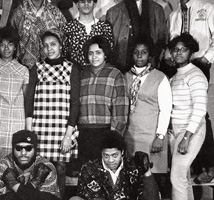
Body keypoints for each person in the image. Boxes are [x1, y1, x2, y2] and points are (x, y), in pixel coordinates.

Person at [164, 0, 214, 185]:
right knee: (181, 109)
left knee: (201, 113)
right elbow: (172, 43)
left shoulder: (207, 8)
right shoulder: (174, 15)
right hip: (180, 66)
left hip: (199, 64)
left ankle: (209, 166)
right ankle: (188, 163)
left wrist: (205, 59)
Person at [26, 29, 80, 198]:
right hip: (40, 128)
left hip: (62, 128)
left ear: (61, 46)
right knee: (39, 170)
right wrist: (29, 133)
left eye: (53, 44)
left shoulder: (71, 68)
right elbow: (29, 101)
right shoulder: (37, 68)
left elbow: (75, 103)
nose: (49, 48)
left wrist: (68, 135)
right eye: (45, 46)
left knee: (61, 168)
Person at [0, 27, 29, 200]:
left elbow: (25, 99)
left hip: (16, 122)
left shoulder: (23, 71)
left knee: (15, 167)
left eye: (10, 44)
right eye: (2, 45)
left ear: (15, 46)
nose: (6, 48)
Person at [124, 37, 172, 197]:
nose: (139, 56)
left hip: (152, 139)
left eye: (143, 53)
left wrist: (160, 136)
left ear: (149, 56)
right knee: (133, 180)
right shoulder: (125, 77)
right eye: (136, 52)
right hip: (130, 137)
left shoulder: (160, 78)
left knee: (154, 180)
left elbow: (166, 110)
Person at [168, 33, 207, 200]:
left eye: (183, 50)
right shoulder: (175, 77)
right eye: (175, 50)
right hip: (176, 132)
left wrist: (186, 137)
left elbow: (200, 109)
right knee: (182, 177)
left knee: (176, 177)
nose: (178, 53)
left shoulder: (196, 75)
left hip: (190, 131)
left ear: (191, 53)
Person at [78, 35, 128, 165]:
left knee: (106, 174)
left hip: (106, 133)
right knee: (87, 173)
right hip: (84, 134)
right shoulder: (81, 75)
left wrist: (114, 138)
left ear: (105, 54)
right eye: (90, 53)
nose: (94, 56)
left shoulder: (115, 75)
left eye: (98, 53)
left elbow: (121, 110)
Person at [106, 0, 166, 73]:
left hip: (151, 66)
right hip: (123, 67)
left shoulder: (157, 9)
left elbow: (162, 39)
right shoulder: (113, 13)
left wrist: (157, 61)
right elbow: (110, 46)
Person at [70, 130, 160, 200]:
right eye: (106, 155)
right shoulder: (89, 169)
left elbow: (153, 198)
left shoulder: (133, 167)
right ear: (101, 153)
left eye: (115, 155)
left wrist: (147, 171)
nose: (111, 160)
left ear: (122, 152)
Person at [11, 0, 67, 68]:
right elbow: (11, 42)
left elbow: (65, 41)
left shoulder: (56, 13)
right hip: (24, 70)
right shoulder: (18, 13)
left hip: (50, 71)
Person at [0, 130, 60, 200]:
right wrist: (33, 185)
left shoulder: (47, 166)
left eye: (28, 148)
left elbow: (51, 198)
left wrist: (15, 185)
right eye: (18, 148)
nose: (23, 153)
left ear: (35, 149)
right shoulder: (3, 165)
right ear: (13, 148)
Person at [62, 0, 113, 70]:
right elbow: (64, 54)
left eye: (89, 0)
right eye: (82, 1)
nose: (86, 3)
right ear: (77, 4)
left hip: (99, 73)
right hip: (76, 74)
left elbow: (109, 53)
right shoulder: (68, 27)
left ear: (95, 4)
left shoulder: (105, 27)